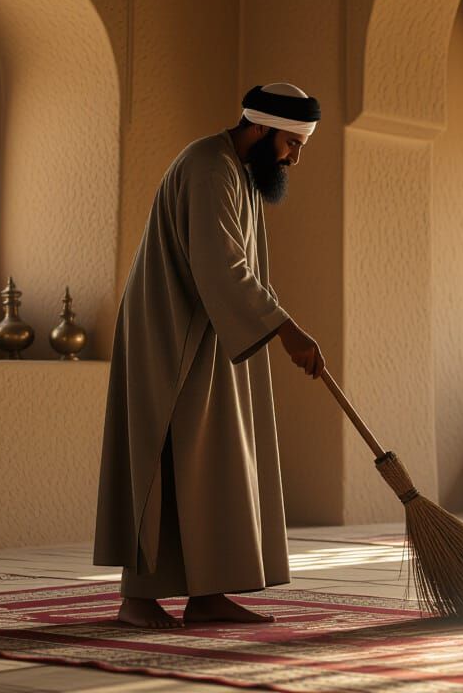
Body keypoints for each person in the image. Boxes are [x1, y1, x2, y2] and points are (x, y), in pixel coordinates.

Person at [93, 82, 325, 629]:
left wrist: (275, 326)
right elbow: (222, 268)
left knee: (216, 461)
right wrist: (289, 331)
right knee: (164, 454)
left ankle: (208, 593)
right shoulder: (209, 167)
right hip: (170, 332)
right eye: (292, 142)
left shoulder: (237, 172)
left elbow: (230, 275)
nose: (296, 156)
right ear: (262, 128)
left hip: (212, 332)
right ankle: (139, 598)